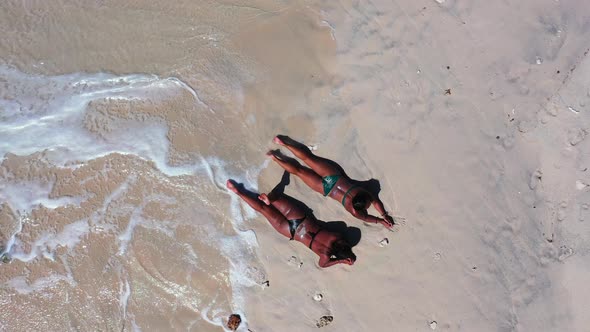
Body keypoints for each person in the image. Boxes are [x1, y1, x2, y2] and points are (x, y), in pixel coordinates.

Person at [267, 135, 396, 229]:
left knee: (308, 158)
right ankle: (274, 157)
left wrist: (383, 214)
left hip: (334, 177)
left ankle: (282, 143)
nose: (370, 205)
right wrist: (381, 220)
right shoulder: (352, 209)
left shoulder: (361, 191)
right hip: (327, 189)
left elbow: (374, 200)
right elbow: (366, 217)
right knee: (299, 171)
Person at [226, 179, 356, 268]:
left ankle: (271, 200)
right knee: (262, 209)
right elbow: (322, 265)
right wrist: (341, 261)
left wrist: (346, 252)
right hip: (291, 231)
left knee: (275, 197)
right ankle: (237, 191)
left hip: (302, 220)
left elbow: (343, 232)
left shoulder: (336, 237)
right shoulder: (325, 255)